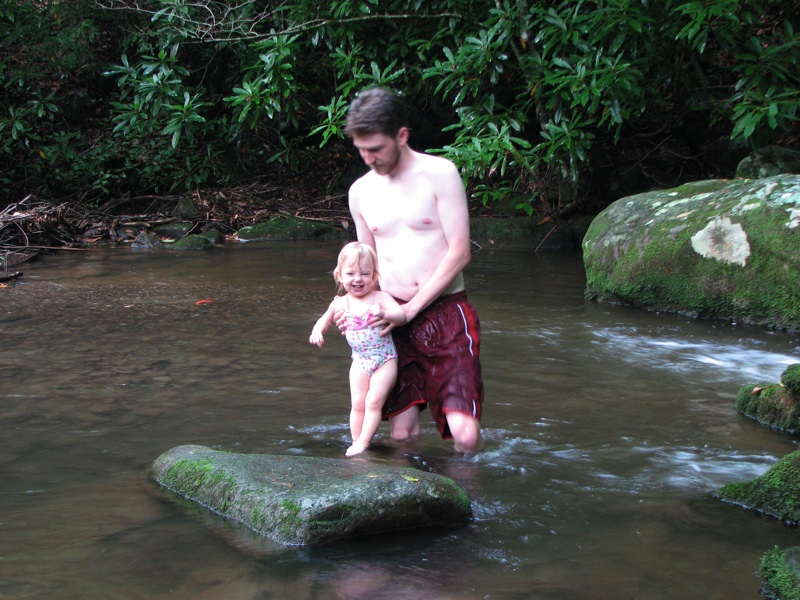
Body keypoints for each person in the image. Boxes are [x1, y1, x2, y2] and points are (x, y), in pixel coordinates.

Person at [341, 85, 483, 453]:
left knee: (465, 436)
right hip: (388, 316)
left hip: (444, 310)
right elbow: (363, 263)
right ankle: (412, 499)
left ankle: (468, 498)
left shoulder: (440, 174)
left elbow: (460, 252)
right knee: (401, 435)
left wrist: (412, 309)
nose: (368, 158)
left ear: (401, 136)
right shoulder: (360, 192)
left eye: (376, 149)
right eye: (361, 150)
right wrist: (349, 308)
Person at [310, 242, 405, 456]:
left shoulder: (379, 298)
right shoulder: (339, 303)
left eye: (365, 273)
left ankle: (364, 442)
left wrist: (385, 314)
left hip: (385, 359)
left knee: (373, 401)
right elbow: (323, 321)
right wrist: (318, 332)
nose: (358, 279)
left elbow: (402, 315)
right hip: (360, 360)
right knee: (358, 403)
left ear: (374, 276)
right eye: (351, 273)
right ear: (340, 276)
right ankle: (355, 441)